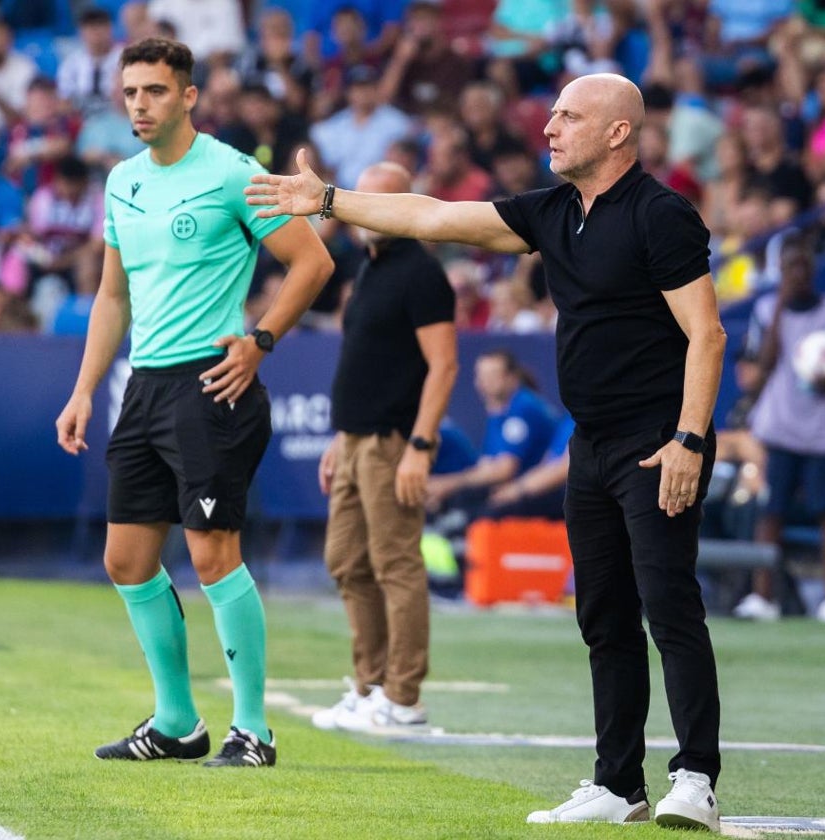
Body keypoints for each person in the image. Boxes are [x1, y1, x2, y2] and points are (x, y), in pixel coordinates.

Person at [247, 71, 727, 829]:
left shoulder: (660, 216)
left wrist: (690, 440)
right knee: (603, 615)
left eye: (569, 116)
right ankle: (619, 783)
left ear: (618, 132)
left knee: (669, 608)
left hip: (655, 442)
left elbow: (707, 332)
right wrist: (330, 200)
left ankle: (695, 776)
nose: (550, 127)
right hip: (591, 443)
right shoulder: (554, 212)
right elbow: (431, 216)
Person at [54, 39, 333, 768]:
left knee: (213, 558)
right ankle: (178, 723)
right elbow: (112, 295)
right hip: (142, 387)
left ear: (189, 96)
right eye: (130, 93)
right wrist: (85, 389)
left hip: (211, 382)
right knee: (126, 560)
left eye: (153, 90)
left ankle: (253, 730)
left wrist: (260, 340)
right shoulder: (121, 181)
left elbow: (314, 261)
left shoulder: (234, 173)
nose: (138, 105)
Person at [312, 161, 458, 733]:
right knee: (346, 561)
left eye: (373, 200)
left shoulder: (421, 274)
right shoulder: (370, 270)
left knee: (396, 564)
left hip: (392, 442)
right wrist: (338, 438)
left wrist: (420, 445)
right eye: (355, 199)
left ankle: (402, 698)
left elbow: (443, 366)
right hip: (353, 440)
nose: (360, 209)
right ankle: (369, 685)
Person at [733, 233, 825, 630]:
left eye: (803, 266)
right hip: (779, 425)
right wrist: (781, 308)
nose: (798, 274)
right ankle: (763, 595)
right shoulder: (768, 308)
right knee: (771, 511)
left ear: (813, 269)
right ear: (780, 272)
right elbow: (762, 364)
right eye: (790, 268)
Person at [425, 349, 558, 513]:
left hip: (542, 493)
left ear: (512, 378)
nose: (484, 383)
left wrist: (448, 484)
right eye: (480, 376)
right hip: (518, 488)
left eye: (492, 376)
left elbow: (504, 470)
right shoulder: (499, 411)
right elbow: (488, 465)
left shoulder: (522, 407)